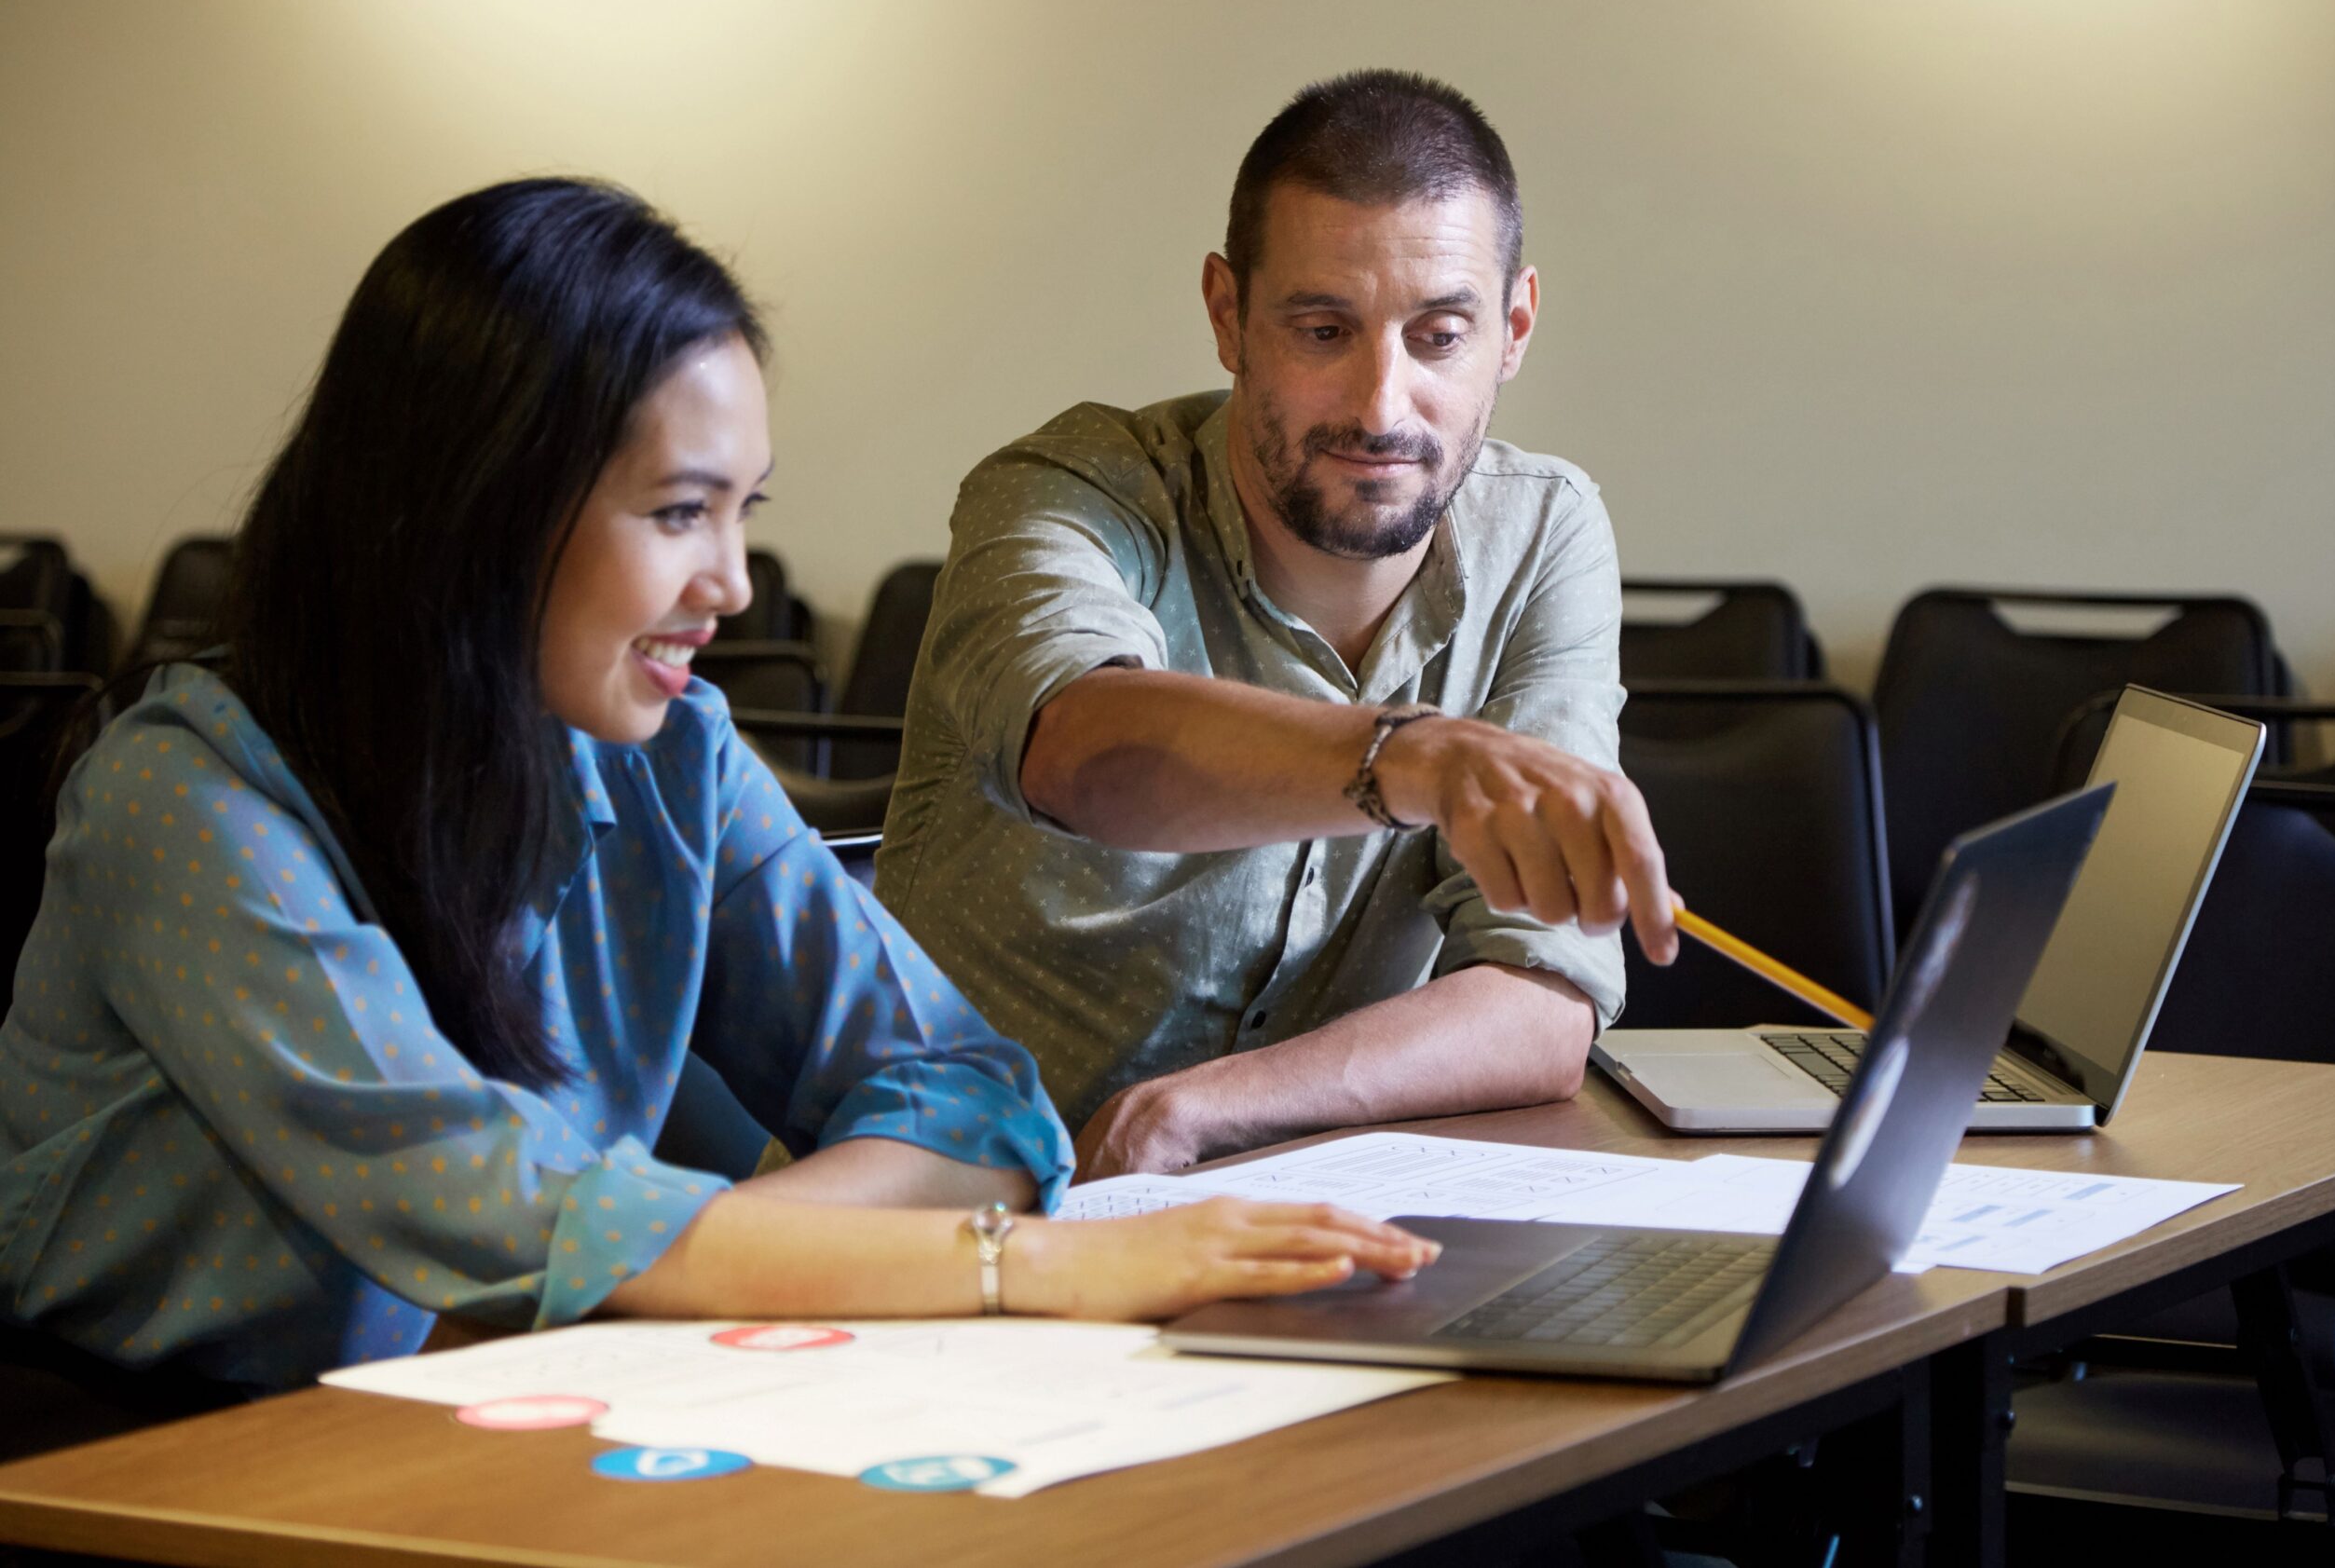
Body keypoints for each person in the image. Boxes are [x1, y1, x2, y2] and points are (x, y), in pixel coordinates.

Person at [0, 178, 1434, 1403]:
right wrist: (1022, 1265)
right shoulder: (182, 802)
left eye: (742, 513)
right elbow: (498, 1212)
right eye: (680, 511)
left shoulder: (675, 750)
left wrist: (698, 1261)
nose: (731, 584)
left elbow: (980, 1108)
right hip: (142, 1462)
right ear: (477, 500)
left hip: (508, 1409)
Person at [877, 71, 1679, 1180]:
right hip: (932, 1210)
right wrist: (1413, 761)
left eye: (1440, 336)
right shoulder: (1062, 490)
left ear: (1514, 327)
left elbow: (1543, 996)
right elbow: (1083, 753)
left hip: (1278, 1221)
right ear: (1226, 314)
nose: (1380, 407)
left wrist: (1208, 1111)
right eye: (1320, 329)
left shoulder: (1544, 532)